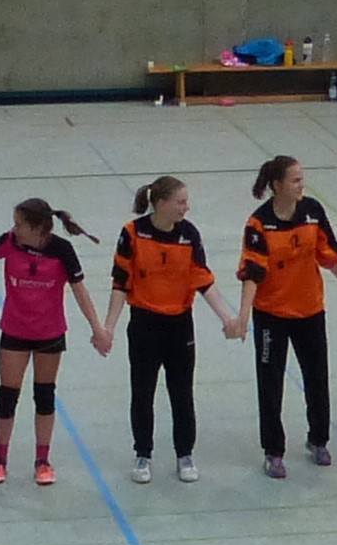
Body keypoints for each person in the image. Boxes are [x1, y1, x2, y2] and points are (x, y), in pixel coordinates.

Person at [0, 199, 112, 486]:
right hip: (15, 332)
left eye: (19, 224)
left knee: (44, 396)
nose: (14, 229)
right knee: (7, 395)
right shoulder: (10, 242)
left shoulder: (61, 250)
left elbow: (80, 291)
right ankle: (0, 459)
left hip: (50, 334)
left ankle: (42, 461)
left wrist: (97, 329)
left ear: (37, 228)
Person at [233, 156, 337, 479]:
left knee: (317, 377)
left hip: (310, 311)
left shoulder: (313, 211)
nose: (301, 185)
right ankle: (273, 451)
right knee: (270, 383)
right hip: (271, 315)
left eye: (301, 179)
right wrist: (243, 317)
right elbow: (252, 273)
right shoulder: (258, 224)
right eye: (295, 180)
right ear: (277, 185)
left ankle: (318, 440)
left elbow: (329, 255)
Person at [101, 175, 240, 484]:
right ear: (161, 203)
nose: (186, 208)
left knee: (182, 392)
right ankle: (143, 454)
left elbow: (202, 280)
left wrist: (227, 318)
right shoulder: (132, 233)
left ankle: (184, 454)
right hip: (144, 325)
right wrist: (108, 327)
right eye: (180, 202)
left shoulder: (189, 235)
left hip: (179, 326)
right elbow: (121, 283)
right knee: (142, 392)